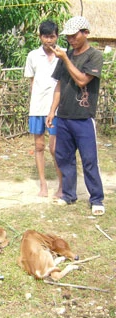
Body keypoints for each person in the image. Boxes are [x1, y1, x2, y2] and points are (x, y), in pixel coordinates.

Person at [46, 16, 105, 216]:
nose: (71, 40)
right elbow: (59, 85)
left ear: (85, 33)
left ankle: (96, 199)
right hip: (64, 116)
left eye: (74, 35)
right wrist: (52, 111)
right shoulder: (67, 54)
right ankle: (69, 195)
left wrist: (65, 59)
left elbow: (82, 81)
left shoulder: (94, 56)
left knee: (89, 159)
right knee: (64, 157)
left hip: (84, 117)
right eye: (68, 36)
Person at [24, 20, 62, 198]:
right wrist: (35, 103)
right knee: (39, 146)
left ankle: (62, 185)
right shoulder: (32, 56)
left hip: (57, 109)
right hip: (37, 107)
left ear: (57, 36)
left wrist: (55, 108)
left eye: (52, 36)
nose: (49, 40)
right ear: (40, 37)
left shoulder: (63, 55)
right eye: (45, 37)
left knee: (55, 148)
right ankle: (43, 186)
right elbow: (32, 82)